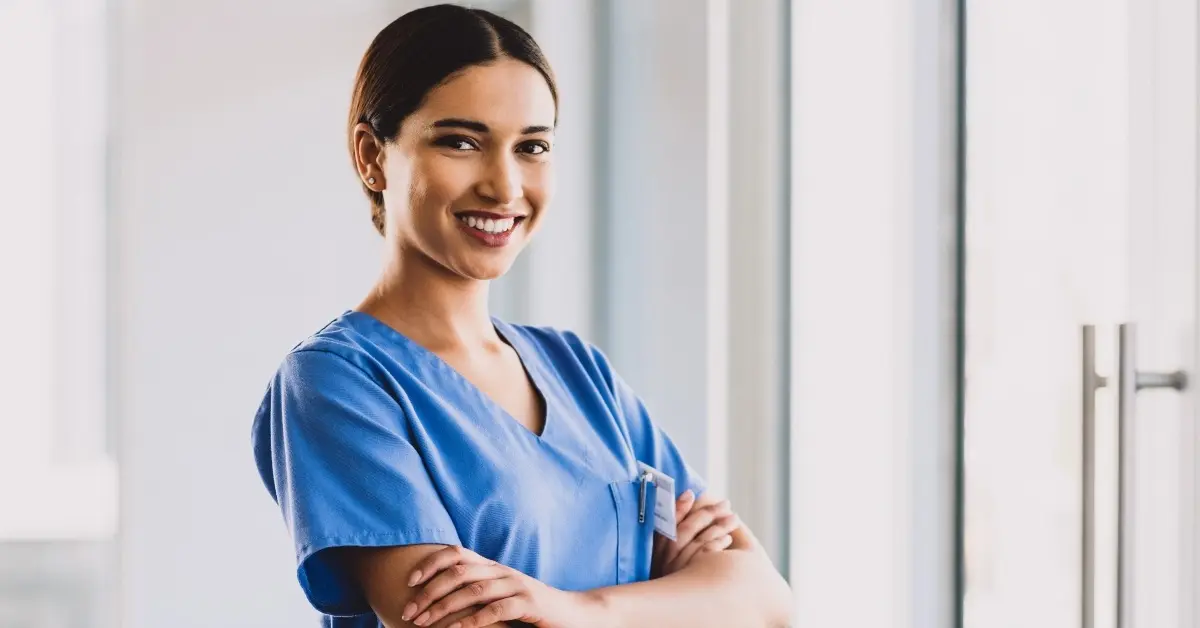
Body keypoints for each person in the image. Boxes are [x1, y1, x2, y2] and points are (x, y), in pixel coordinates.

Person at [251, 5, 791, 627]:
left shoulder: (578, 372)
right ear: (372, 155)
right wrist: (680, 598)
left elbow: (765, 601)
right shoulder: (339, 385)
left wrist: (575, 611)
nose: (504, 186)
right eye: (461, 142)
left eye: (532, 146)